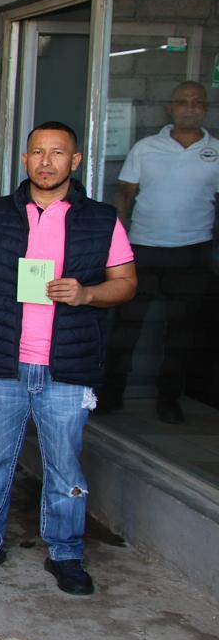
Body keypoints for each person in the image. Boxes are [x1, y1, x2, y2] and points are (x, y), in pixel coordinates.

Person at [0, 122, 136, 595]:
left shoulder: (101, 219)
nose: (46, 162)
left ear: (75, 161)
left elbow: (127, 283)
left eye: (57, 153)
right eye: (37, 152)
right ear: (24, 159)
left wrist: (88, 293)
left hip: (66, 366)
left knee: (64, 466)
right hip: (1, 359)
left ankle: (67, 553)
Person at [103, 81, 217, 423]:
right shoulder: (146, 147)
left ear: (205, 109)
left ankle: (169, 400)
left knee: (180, 333)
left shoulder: (216, 152)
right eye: (183, 102)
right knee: (127, 329)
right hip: (144, 249)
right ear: (170, 107)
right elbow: (125, 194)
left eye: (197, 102)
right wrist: (119, 244)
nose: (190, 107)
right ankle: (111, 395)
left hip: (192, 252)